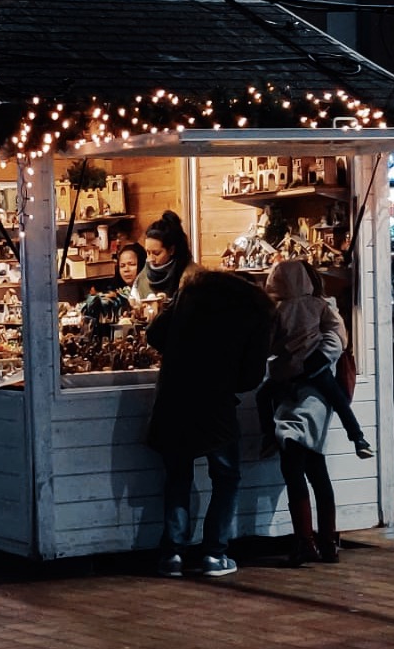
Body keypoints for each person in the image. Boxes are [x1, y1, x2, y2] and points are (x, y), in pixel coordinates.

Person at [145, 230, 275, 579]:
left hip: (174, 398)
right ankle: (214, 555)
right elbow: (251, 377)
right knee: (226, 476)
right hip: (216, 405)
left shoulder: (190, 295)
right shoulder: (256, 312)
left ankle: (172, 555)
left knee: (177, 477)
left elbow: (154, 334)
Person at [257, 259, 371, 567]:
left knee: (294, 467)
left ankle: (306, 541)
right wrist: (314, 362)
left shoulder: (281, 311)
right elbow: (336, 339)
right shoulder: (321, 306)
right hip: (312, 390)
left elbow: (268, 346)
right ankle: (326, 541)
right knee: (316, 469)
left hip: (296, 392)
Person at [256, 259, 373, 460]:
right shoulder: (319, 304)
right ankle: (358, 439)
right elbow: (337, 333)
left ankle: (269, 437)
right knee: (338, 399)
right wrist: (320, 356)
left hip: (287, 371)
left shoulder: (276, 311)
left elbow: (267, 343)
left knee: (263, 396)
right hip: (316, 366)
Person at [79, 242, 146, 329]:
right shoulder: (115, 293)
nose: (126, 269)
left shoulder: (146, 291)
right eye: (122, 266)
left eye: (132, 264)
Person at [130, 211, 190, 305]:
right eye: (148, 252)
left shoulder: (190, 276)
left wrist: (167, 303)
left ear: (171, 250)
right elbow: (134, 301)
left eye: (156, 253)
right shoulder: (143, 276)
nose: (151, 259)